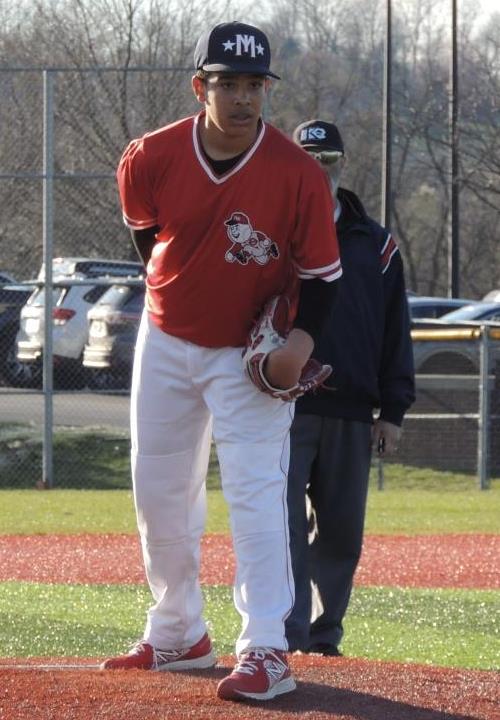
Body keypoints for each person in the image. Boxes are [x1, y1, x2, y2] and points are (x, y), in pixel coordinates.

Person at [100, 24, 343, 702]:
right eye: (226, 83)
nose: (241, 97)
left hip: (248, 354)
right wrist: (184, 293)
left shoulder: (295, 172)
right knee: (158, 493)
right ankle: (177, 630)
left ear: (267, 88)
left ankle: (266, 646)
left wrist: (297, 346)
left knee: (258, 495)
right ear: (199, 86)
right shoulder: (150, 156)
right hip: (167, 339)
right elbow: (148, 235)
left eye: (253, 84)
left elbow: (324, 278)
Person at [285, 119, 415, 656]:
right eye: (309, 160)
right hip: (281, 405)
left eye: (328, 161)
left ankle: (323, 635)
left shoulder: (376, 244)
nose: (319, 171)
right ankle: (282, 635)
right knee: (280, 526)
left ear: (341, 166)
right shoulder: (271, 232)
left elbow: (395, 329)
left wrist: (394, 409)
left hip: (352, 407)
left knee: (340, 533)